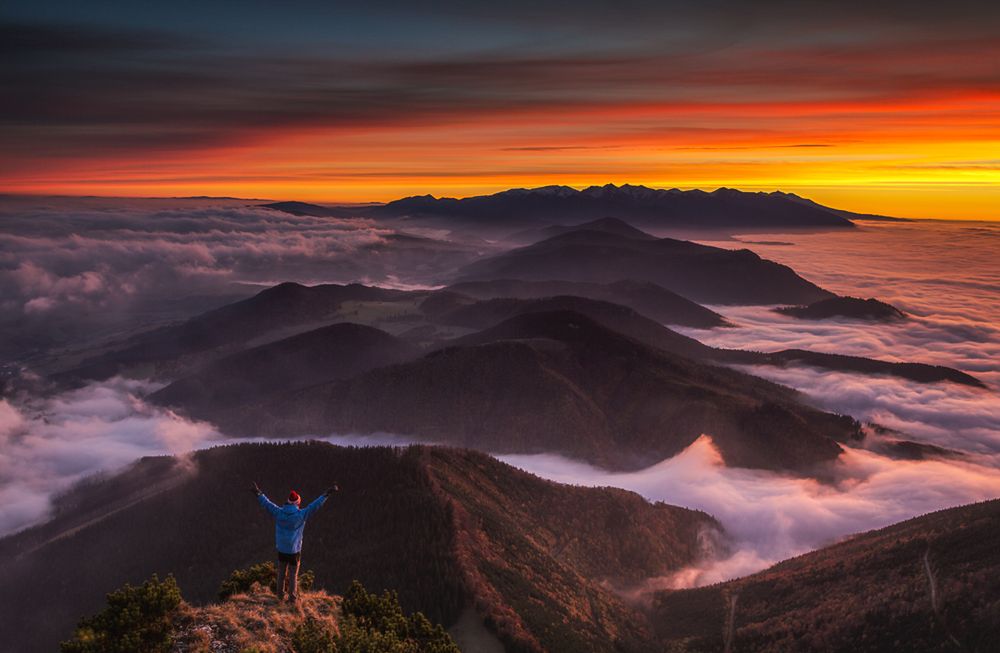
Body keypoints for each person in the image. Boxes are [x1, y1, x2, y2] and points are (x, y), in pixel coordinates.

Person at [252, 481, 338, 603]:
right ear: (297, 503)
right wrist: (326, 494)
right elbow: (315, 506)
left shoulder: (278, 513)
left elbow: (267, 504)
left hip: (282, 549)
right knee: (293, 575)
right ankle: (292, 598)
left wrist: (258, 493)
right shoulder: (301, 515)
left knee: (281, 573)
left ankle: (280, 596)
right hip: (294, 550)